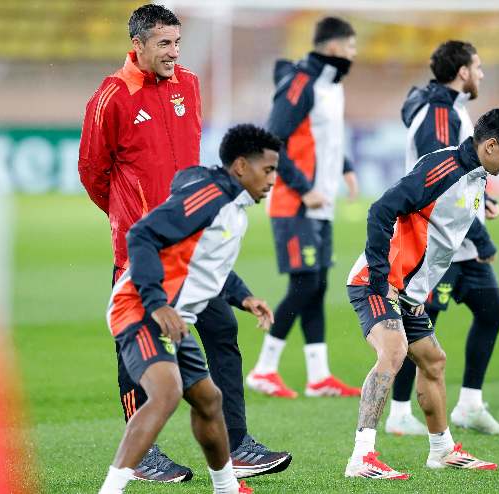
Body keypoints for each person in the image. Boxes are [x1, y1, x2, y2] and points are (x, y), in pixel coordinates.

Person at [79, 4, 290, 482]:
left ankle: (237, 446)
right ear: (138, 44)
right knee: (137, 345)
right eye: (164, 44)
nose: (174, 52)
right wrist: (129, 218)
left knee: (222, 334)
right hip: (143, 246)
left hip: (195, 245)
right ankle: (144, 457)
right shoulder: (111, 96)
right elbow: (92, 171)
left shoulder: (188, 85)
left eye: (177, 42)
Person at [97, 124, 281, 494]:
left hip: (172, 321)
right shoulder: (212, 196)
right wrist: (157, 302)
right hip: (140, 310)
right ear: (241, 166)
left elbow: (208, 265)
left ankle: (226, 487)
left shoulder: (234, 210)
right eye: (268, 169)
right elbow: (142, 234)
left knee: (209, 400)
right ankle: (111, 489)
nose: (273, 180)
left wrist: (243, 296)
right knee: (166, 393)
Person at [344, 109, 499, 478]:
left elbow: (448, 215)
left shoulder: (477, 177)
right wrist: (381, 279)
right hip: (379, 282)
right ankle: (361, 456)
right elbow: (381, 209)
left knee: (433, 360)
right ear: (490, 146)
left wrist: (483, 208)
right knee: (393, 353)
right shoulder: (442, 169)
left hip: (410, 292)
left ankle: (442, 450)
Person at [385, 40, 499, 436]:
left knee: (492, 310)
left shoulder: (451, 107)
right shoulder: (439, 112)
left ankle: (470, 405)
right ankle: (401, 413)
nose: (481, 73)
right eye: (478, 66)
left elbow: (461, 171)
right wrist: (481, 233)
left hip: (460, 240)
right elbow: (441, 179)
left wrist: (482, 198)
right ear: (462, 72)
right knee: (420, 325)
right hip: (437, 239)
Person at [246, 16, 361, 399]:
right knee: (305, 284)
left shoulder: (331, 84)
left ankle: (318, 376)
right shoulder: (301, 82)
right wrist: (302, 187)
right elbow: (272, 138)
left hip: (319, 204)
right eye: (350, 47)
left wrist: (344, 168)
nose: (354, 54)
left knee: (317, 285)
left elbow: (324, 137)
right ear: (332, 47)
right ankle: (263, 370)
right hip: (293, 202)